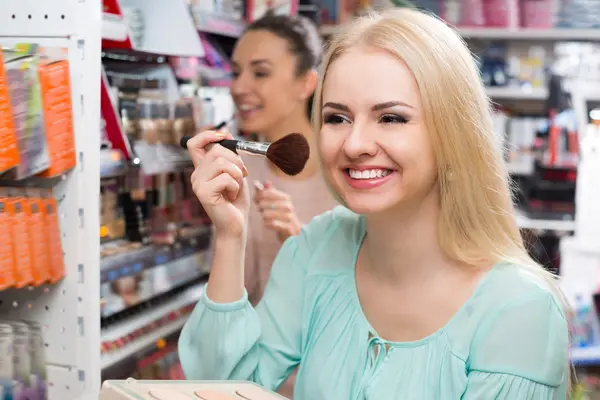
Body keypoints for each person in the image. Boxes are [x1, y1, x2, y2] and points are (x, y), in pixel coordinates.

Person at [179, 8, 569, 399]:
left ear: (453, 132)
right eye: (337, 118)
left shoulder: (518, 310)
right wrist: (231, 235)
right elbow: (226, 386)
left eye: (391, 118)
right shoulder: (318, 248)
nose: (354, 144)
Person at [228, 12, 338, 308]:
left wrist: (296, 238)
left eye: (260, 73)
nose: (239, 88)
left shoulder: (347, 166)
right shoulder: (242, 168)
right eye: (236, 72)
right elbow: (239, 294)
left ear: (306, 83)